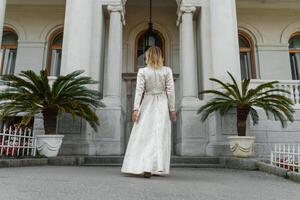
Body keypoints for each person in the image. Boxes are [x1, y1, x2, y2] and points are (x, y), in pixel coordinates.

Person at [121, 46, 176, 178]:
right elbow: (170, 91)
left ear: (148, 57)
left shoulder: (143, 71)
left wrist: (136, 109)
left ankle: (146, 166)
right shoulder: (167, 71)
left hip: (147, 103)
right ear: (160, 56)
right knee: (159, 135)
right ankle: (155, 166)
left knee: (144, 135)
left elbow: (139, 91)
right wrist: (172, 109)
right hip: (162, 103)